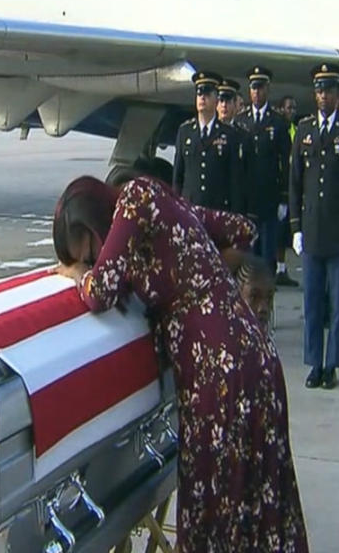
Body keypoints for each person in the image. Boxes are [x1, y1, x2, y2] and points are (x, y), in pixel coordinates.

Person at [53, 175, 308, 552]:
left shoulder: (134, 200)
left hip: (218, 370)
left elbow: (101, 291)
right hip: (253, 354)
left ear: (94, 220)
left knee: (216, 493)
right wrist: (206, 278)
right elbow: (241, 230)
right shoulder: (161, 207)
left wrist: (78, 275)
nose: (95, 260)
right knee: (257, 492)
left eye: (89, 251)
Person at [290, 64, 339, 390]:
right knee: (312, 304)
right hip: (311, 230)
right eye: (319, 90)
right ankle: (314, 363)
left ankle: (332, 365)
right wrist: (295, 227)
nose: (324, 96)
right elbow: (295, 182)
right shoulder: (305, 131)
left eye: (330, 90)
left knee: (338, 305)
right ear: (315, 94)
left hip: (338, 233)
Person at [237, 66, 291, 278]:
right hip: (247, 200)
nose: (257, 93)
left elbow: (286, 163)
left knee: (266, 257)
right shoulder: (242, 120)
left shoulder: (277, 122)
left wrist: (284, 198)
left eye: (260, 88)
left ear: (268, 89)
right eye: (253, 88)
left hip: (269, 200)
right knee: (248, 257)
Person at [172, 71, 245, 213]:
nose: (202, 98)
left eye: (207, 94)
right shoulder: (185, 131)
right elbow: (178, 177)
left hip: (217, 210)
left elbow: (235, 181)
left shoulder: (229, 135)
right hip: (190, 210)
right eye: (199, 94)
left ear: (216, 100)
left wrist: (235, 215)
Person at [275, 95, 300, 287]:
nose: (291, 112)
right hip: (278, 184)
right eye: (288, 108)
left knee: (284, 233)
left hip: (292, 185)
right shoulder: (278, 128)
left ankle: (282, 269)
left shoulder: (296, 130)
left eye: (293, 108)